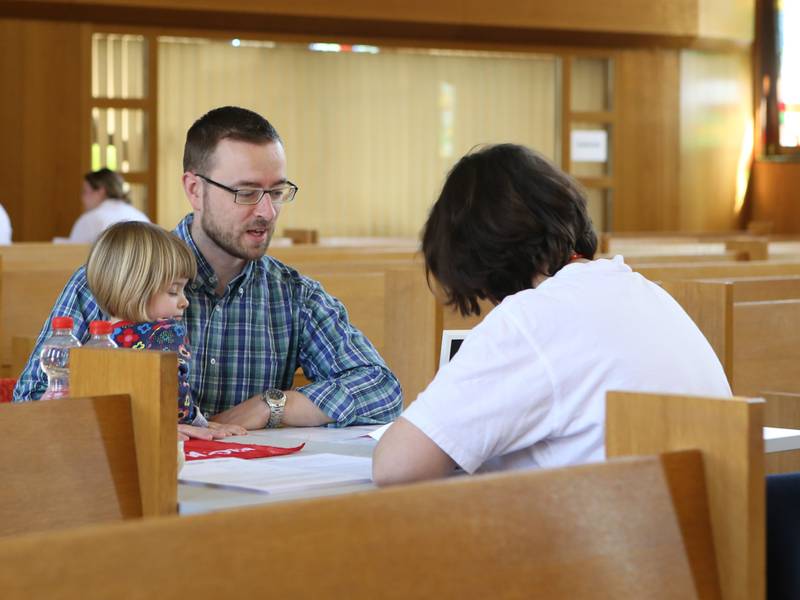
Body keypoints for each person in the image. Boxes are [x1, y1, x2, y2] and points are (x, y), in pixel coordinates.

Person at [15, 106, 402, 432]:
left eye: (277, 192)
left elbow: (382, 388)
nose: (267, 212)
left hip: (246, 503)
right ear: (194, 189)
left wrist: (271, 405)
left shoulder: (293, 295)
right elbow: (31, 403)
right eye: (246, 192)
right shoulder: (114, 278)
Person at [372, 143, 731, 485]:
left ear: (479, 260)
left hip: (620, 540)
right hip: (706, 537)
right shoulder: (646, 292)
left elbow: (396, 466)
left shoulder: (531, 317)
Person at [86, 221, 245, 441]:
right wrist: (199, 422)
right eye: (173, 291)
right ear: (136, 289)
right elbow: (176, 394)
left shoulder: (97, 340)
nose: (185, 302)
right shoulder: (165, 333)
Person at [65, 168, 150, 243]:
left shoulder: (91, 219)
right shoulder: (140, 216)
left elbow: (72, 254)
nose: (82, 198)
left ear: (101, 191)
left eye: (85, 191)